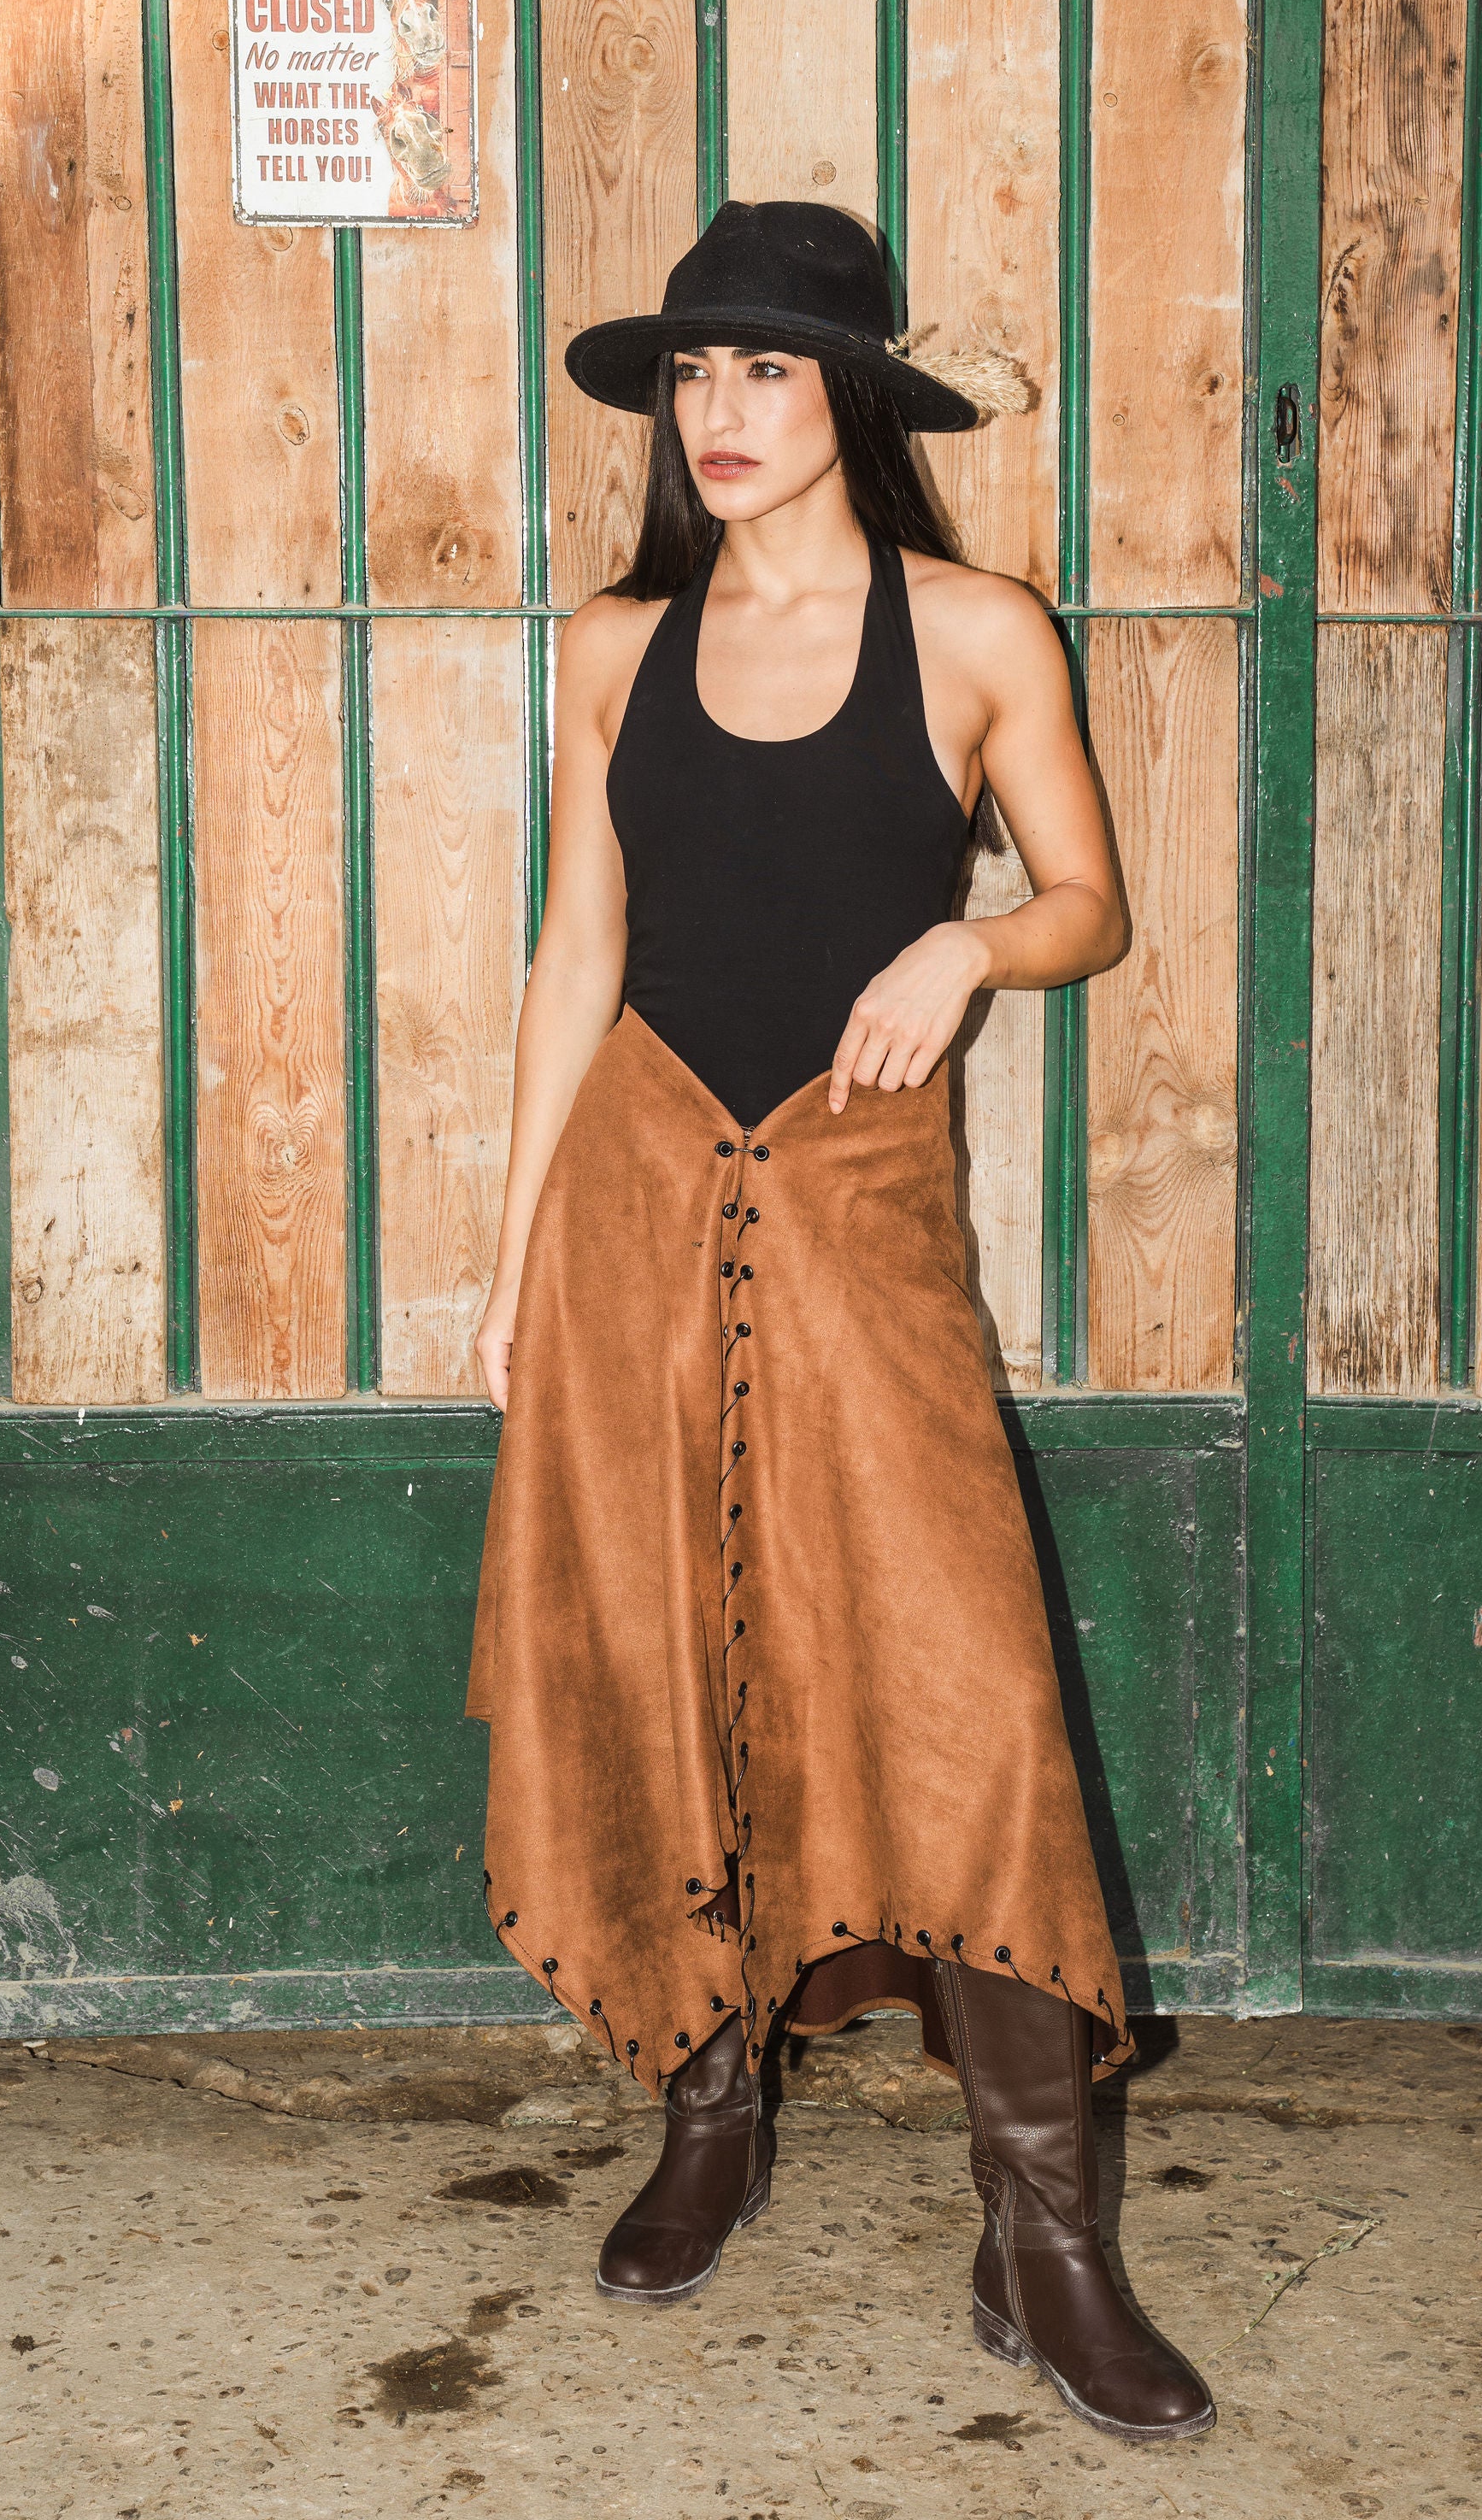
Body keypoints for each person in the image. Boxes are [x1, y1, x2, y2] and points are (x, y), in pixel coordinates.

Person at [467, 200, 1214, 2444]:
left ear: (856, 402)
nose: (720, 414)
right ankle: (709, 2118)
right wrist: (509, 1265)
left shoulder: (978, 628)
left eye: (770, 374)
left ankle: (1048, 2230)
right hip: (629, 1199)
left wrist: (971, 949)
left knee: (956, 1679)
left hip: (862, 1203)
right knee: (665, 1664)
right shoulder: (611, 644)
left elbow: (1089, 902)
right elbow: (573, 955)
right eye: (694, 375)